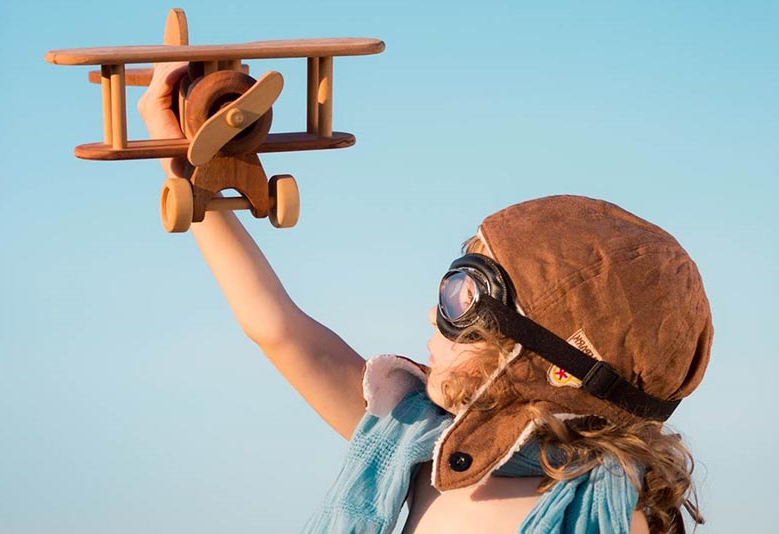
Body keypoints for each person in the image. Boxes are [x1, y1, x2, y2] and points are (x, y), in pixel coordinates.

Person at [139, 63, 712, 534]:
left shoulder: (608, 517)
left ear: (543, 361)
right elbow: (280, 330)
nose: (433, 320)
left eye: (460, 300)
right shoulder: (417, 447)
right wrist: (187, 170)